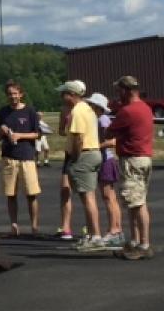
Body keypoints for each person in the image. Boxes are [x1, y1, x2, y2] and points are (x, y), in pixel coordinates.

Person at [107, 76, 155, 260]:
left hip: (132, 159)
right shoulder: (145, 108)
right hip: (144, 157)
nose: (117, 94)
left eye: (119, 90)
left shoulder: (127, 111)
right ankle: (134, 241)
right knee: (134, 201)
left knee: (137, 203)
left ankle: (144, 244)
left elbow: (109, 131)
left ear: (126, 90)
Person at [58, 80, 104, 252]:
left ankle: (96, 236)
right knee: (89, 197)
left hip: (84, 155)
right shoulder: (87, 108)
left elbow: (78, 138)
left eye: (65, 94)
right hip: (94, 153)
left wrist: (75, 158)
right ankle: (92, 235)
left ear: (72, 95)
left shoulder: (77, 111)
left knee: (87, 199)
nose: (62, 97)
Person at [0, 80, 42, 236]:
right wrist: (2, 131)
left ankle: (34, 226)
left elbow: (37, 133)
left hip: (26, 156)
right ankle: (14, 225)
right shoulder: (3, 112)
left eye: (15, 93)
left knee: (31, 193)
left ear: (21, 94)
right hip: (9, 157)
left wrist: (20, 135)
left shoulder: (30, 111)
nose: (12, 96)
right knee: (11, 194)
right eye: (9, 94)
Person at [86, 92, 124, 247]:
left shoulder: (103, 120)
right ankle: (116, 229)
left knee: (108, 196)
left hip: (106, 160)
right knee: (109, 196)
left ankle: (115, 229)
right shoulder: (96, 119)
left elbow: (113, 141)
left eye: (92, 105)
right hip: (102, 159)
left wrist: (95, 146)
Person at [56, 106, 74, 240]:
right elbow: (61, 131)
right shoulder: (64, 110)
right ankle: (66, 226)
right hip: (70, 151)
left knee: (87, 191)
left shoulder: (86, 108)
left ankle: (91, 228)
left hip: (85, 150)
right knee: (65, 189)